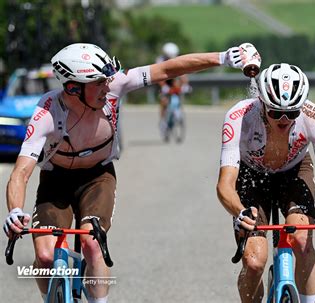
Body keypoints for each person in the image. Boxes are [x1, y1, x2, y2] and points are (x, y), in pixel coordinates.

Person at [3, 42, 251, 303]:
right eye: (98, 82)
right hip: (56, 180)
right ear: (73, 87)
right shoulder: (47, 111)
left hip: (97, 178)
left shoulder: (115, 86)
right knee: (44, 256)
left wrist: (223, 57)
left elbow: (167, 69)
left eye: (106, 80)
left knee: (91, 243)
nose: (106, 87)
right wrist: (15, 211)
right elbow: (20, 172)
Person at [216, 63, 315, 303]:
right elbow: (225, 183)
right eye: (276, 112)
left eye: (292, 113)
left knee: (301, 240)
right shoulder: (239, 116)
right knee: (254, 262)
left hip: (294, 172)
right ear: (262, 103)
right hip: (252, 175)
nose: (284, 119)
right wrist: (239, 212)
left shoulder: (314, 116)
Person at [156, 42, 191, 138]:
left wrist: (186, 85)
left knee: (178, 89)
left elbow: (183, 73)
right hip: (163, 80)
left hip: (173, 79)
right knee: (164, 100)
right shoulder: (160, 60)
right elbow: (158, 76)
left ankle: (177, 111)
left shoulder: (177, 58)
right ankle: (163, 121)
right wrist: (164, 87)